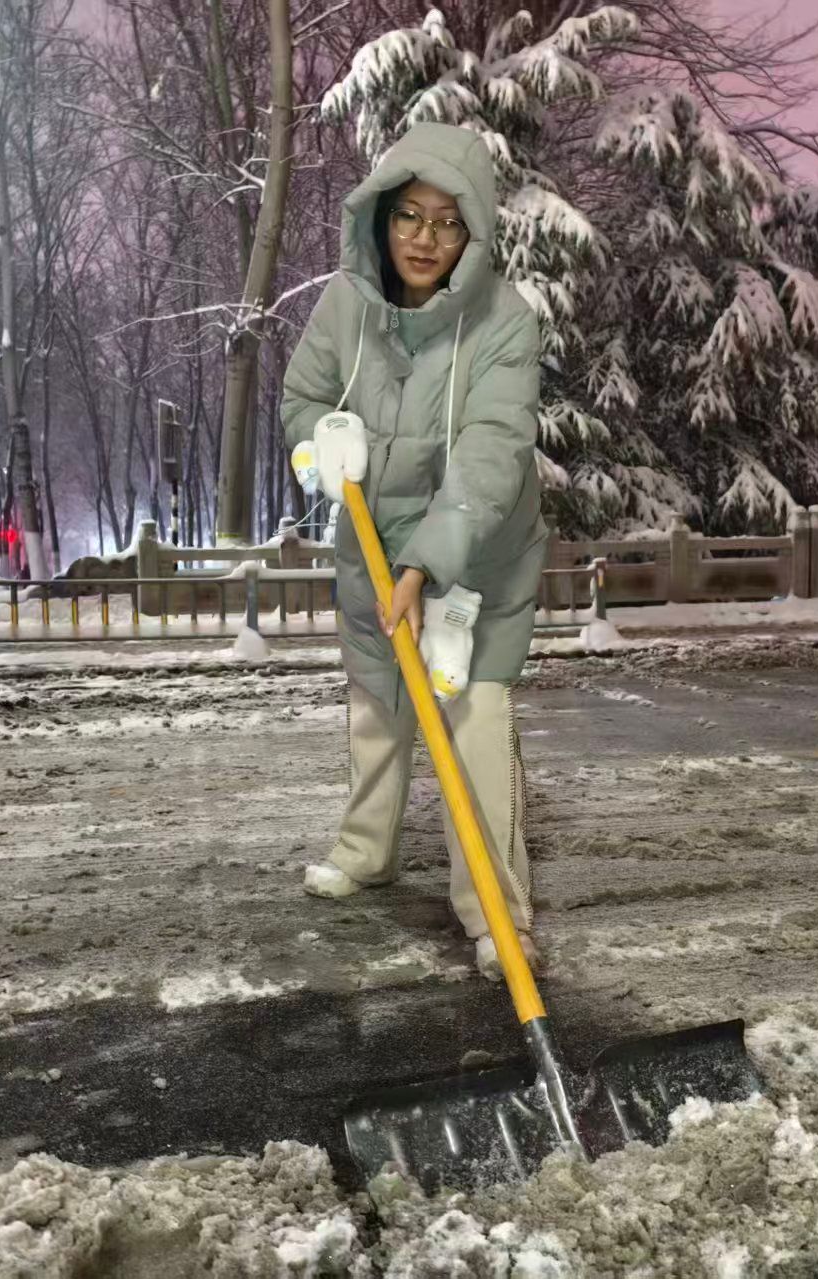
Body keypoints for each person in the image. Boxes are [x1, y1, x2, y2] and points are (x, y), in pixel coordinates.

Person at [281, 121, 546, 980]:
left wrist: (428, 564)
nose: (425, 238)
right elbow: (302, 396)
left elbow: (491, 452)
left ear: (475, 233)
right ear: (382, 216)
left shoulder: (505, 322)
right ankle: (368, 849)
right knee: (378, 706)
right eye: (409, 217)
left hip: (474, 558)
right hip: (371, 542)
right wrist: (319, 448)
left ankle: (497, 914)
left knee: (471, 722)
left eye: (448, 222)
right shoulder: (344, 304)